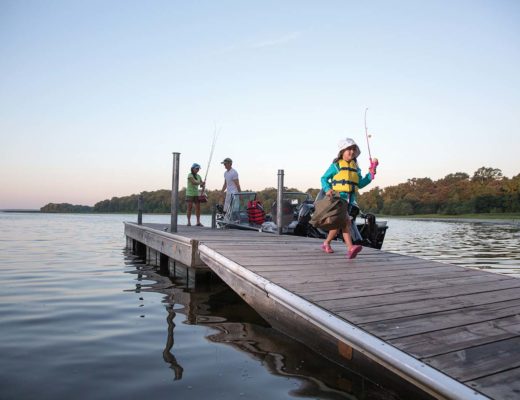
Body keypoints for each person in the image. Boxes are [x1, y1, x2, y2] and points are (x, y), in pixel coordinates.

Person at [320, 138, 378, 259]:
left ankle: (326, 243)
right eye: (348, 149)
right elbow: (324, 178)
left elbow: (361, 183)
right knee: (346, 221)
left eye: (353, 149)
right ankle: (350, 248)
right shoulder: (335, 166)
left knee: (338, 225)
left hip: (349, 201)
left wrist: (370, 174)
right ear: (342, 151)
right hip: (337, 199)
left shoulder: (355, 168)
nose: (351, 152)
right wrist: (327, 189)